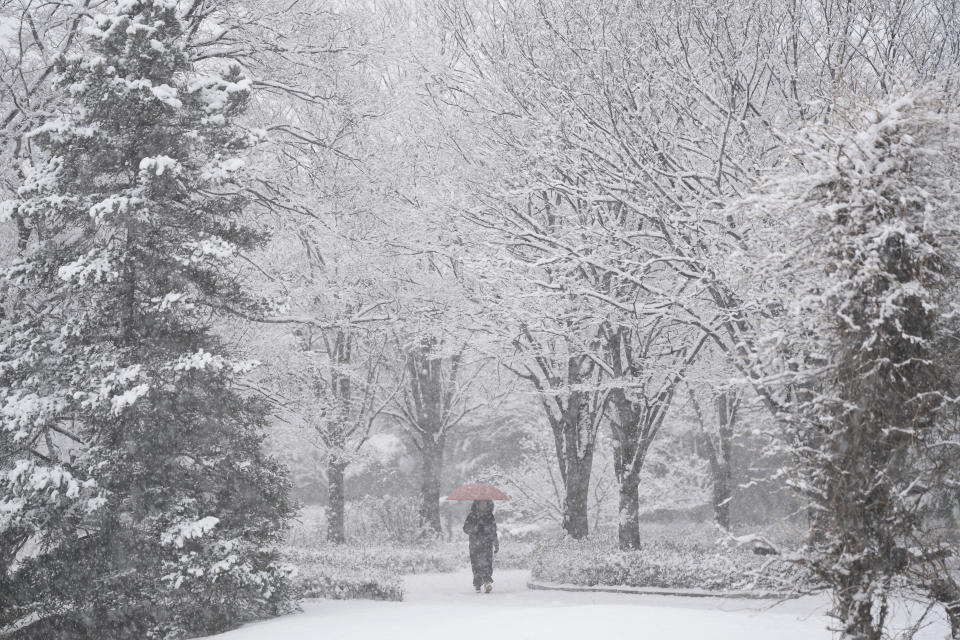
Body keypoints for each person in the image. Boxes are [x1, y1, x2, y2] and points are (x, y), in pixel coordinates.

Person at [462, 499, 499, 593]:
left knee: (487, 563)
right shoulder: (472, 515)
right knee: (476, 564)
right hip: (475, 544)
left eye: (485, 502)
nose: (483, 503)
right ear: (477, 503)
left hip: (487, 543)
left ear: (488, 503)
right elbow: (465, 528)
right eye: (481, 502)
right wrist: (475, 529)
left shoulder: (490, 516)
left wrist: (496, 542)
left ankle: (487, 582)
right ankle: (478, 583)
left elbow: (494, 530)